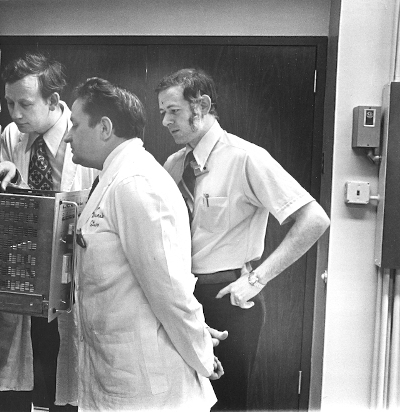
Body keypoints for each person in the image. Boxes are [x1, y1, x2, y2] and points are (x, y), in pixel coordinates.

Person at [155, 68, 331, 410]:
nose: (165, 121)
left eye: (173, 111)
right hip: (182, 300)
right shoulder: (175, 165)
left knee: (226, 403)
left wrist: (257, 278)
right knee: (180, 401)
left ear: (201, 106)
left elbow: (315, 219)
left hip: (227, 300)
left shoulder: (246, 157)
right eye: (162, 112)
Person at [65, 77, 220, 411]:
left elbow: (171, 293)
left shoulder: (135, 183)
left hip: (149, 388)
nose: (67, 135)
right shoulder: (113, 178)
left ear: (104, 127)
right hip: (118, 374)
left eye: (75, 125)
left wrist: (204, 356)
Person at [0, 53, 95, 412]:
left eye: (25, 104)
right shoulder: (12, 136)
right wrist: (10, 179)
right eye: (10, 102)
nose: (15, 113)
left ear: (53, 100)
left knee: (67, 374)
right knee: (20, 375)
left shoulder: (86, 139)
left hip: (74, 277)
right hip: (26, 274)